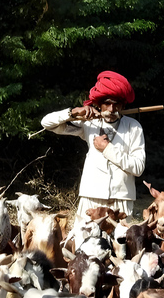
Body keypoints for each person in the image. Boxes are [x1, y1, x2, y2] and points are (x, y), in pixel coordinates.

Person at [41, 71, 146, 226]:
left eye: (116, 103)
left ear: (123, 105)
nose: (111, 109)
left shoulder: (133, 127)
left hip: (121, 202)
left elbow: (138, 168)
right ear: (98, 104)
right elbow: (47, 123)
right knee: (84, 247)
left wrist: (107, 148)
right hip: (91, 199)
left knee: (120, 248)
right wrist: (72, 112)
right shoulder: (88, 123)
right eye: (107, 103)